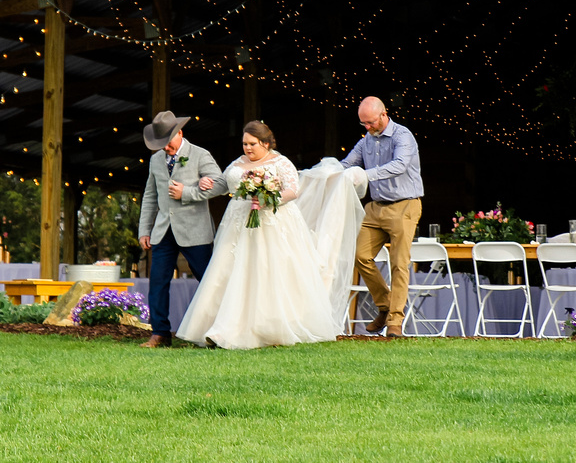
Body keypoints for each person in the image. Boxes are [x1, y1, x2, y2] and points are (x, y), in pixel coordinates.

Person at [177, 121, 365, 349]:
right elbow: (222, 185)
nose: (247, 148)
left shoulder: (280, 162)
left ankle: (269, 326)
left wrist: (270, 199)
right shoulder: (237, 163)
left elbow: (293, 190)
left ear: (265, 143)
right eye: (244, 143)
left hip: (272, 223)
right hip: (238, 224)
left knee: (269, 272)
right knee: (229, 271)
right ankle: (222, 328)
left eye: (252, 144)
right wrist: (203, 183)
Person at [137, 111, 226, 348]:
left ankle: (219, 331)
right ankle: (160, 333)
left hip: (195, 231)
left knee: (208, 281)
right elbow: (150, 195)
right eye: (160, 144)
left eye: (167, 142)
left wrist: (187, 193)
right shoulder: (155, 160)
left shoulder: (199, 154)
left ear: (180, 133)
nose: (164, 148)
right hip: (163, 231)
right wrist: (144, 230)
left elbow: (221, 184)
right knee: (157, 282)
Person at [340, 96, 424, 338]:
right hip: (375, 207)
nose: (367, 127)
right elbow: (348, 164)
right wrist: (325, 173)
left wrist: (365, 175)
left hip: (404, 205)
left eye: (371, 122)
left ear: (384, 114)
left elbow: (399, 165)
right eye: (363, 124)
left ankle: (395, 322)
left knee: (399, 263)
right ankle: (386, 305)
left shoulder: (402, 136)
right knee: (359, 254)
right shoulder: (366, 140)